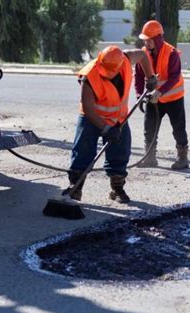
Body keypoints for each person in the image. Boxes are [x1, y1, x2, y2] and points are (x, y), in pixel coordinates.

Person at [66, 45, 156, 203]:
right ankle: (75, 187)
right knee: (83, 151)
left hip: (118, 118)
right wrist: (106, 128)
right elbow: (88, 108)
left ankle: (117, 189)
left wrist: (150, 77)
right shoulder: (89, 75)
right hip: (92, 118)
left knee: (121, 152)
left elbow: (142, 55)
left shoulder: (126, 59)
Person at [134, 20, 189, 170]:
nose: (146, 42)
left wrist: (159, 92)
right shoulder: (143, 53)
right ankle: (150, 158)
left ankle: (182, 158)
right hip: (154, 99)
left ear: (157, 39)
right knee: (149, 128)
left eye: (149, 40)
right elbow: (138, 75)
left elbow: (174, 77)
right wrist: (139, 95)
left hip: (173, 98)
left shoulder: (171, 53)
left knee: (178, 128)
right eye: (145, 40)